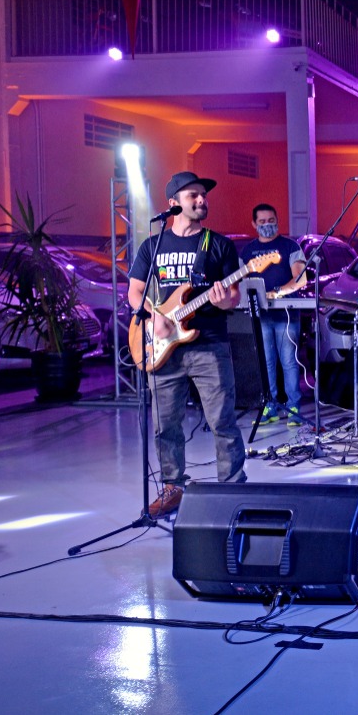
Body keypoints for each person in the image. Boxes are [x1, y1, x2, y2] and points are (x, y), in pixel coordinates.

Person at [127, 171, 247, 518]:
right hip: (163, 347)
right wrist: (154, 317)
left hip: (209, 344)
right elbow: (135, 291)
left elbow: (233, 297)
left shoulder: (218, 245)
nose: (201, 200)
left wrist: (224, 299)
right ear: (173, 203)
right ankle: (172, 488)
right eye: (193, 195)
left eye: (203, 195)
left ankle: (233, 488)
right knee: (165, 425)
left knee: (222, 421)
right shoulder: (153, 245)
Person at [242, 203, 307, 426]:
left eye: (271, 220)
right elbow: (240, 280)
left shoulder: (290, 246)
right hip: (260, 314)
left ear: (278, 220)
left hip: (286, 313)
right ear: (254, 224)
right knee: (266, 362)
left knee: (288, 361)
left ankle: (293, 406)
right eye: (262, 222)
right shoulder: (248, 251)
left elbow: (301, 278)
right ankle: (269, 406)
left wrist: (278, 292)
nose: (267, 225)